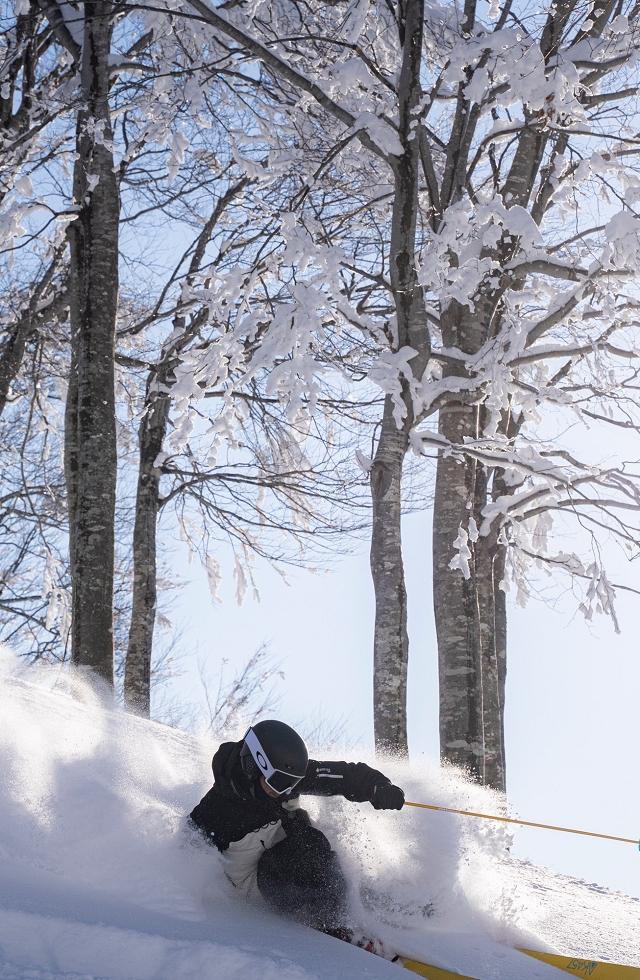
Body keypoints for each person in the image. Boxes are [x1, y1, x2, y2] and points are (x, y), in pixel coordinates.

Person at [188, 719, 405, 938]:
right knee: (300, 851)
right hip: (260, 887)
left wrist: (377, 787)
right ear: (253, 765)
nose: (284, 790)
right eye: (278, 782)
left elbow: (346, 776)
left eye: (291, 783)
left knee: (309, 841)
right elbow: (183, 858)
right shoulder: (215, 811)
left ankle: (357, 897)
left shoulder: (285, 775)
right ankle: (331, 922)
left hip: (299, 856)